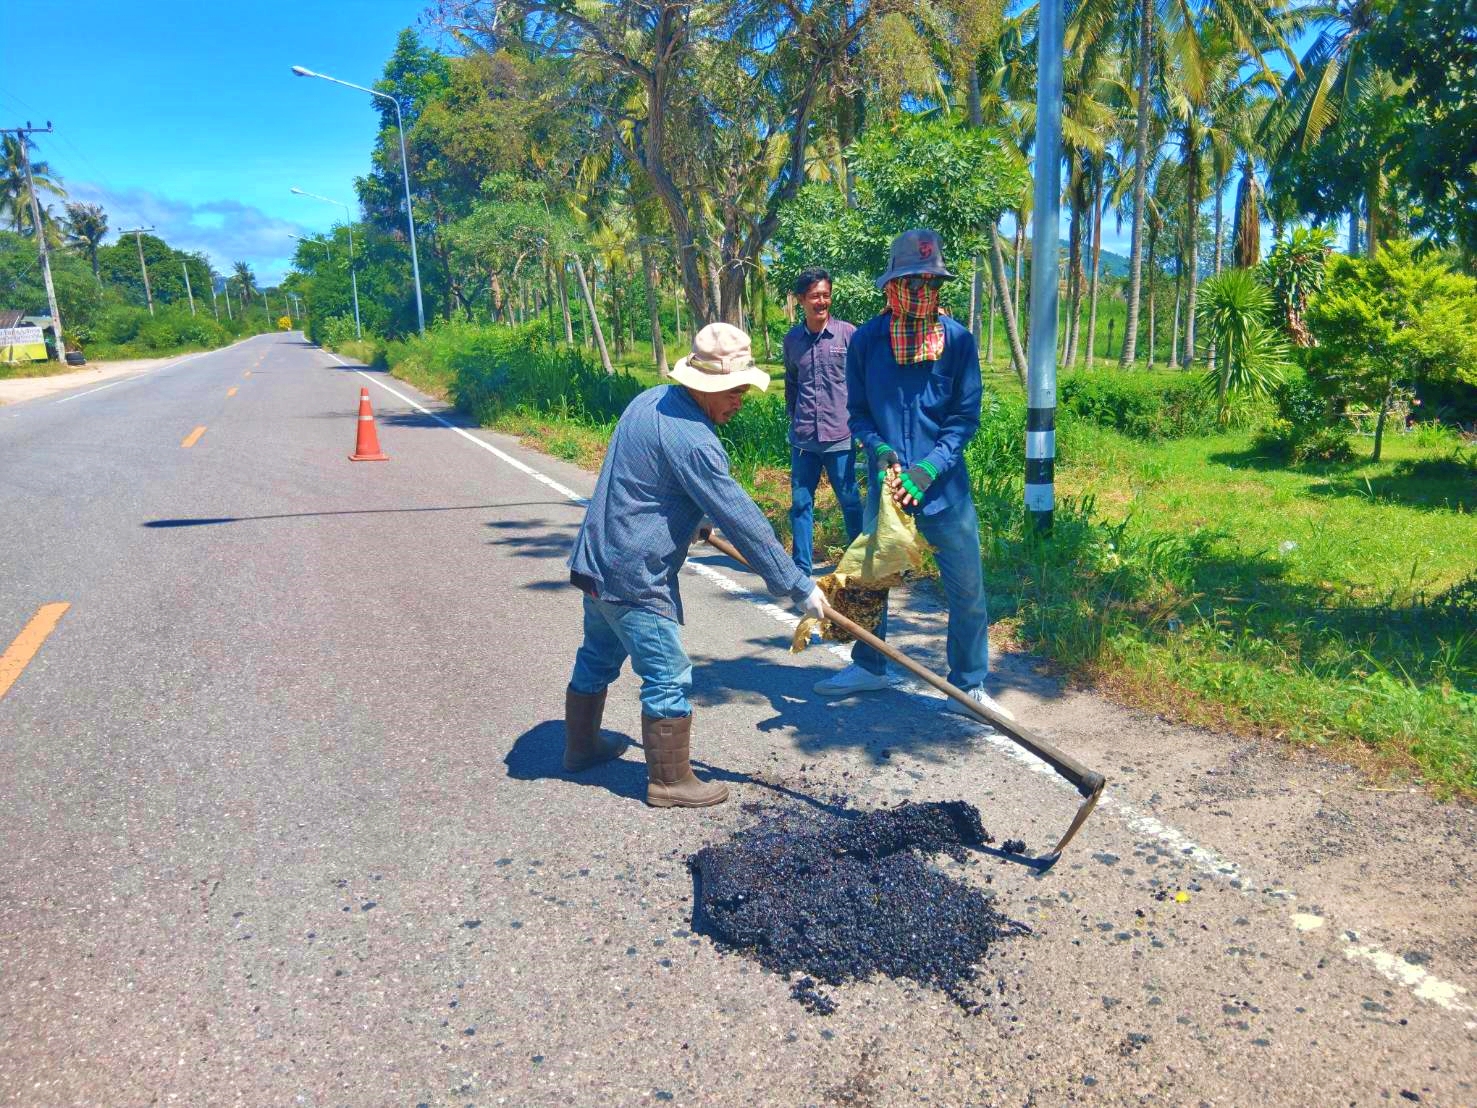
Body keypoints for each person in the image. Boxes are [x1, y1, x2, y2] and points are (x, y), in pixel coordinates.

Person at [564, 322, 827, 808]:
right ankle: (669, 781)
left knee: (597, 655)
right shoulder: (694, 440)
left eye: (744, 390)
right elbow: (742, 516)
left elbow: (647, 479)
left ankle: (580, 747)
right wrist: (796, 584)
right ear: (706, 387)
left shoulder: (651, 400)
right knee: (668, 675)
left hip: (596, 561)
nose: (740, 400)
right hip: (633, 576)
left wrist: (692, 519)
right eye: (734, 391)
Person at [812, 229, 1013, 723]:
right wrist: (879, 449)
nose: (922, 291)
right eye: (911, 281)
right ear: (891, 286)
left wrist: (928, 468)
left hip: (945, 492)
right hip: (886, 490)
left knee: (967, 590)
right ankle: (869, 665)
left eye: (931, 281)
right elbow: (857, 413)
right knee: (868, 580)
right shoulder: (866, 342)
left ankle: (967, 685)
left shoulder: (958, 342)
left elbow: (963, 419)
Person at [783, 268, 863, 575]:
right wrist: (795, 418)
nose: (821, 301)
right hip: (804, 439)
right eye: (815, 296)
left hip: (840, 435)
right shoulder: (792, 341)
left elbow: (860, 382)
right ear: (802, 299)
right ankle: (801, 570)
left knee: (850, 501)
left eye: (826, 295)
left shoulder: (848, 335)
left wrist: (859, 424)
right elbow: (792, 383)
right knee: (801, 504)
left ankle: (857, 565)